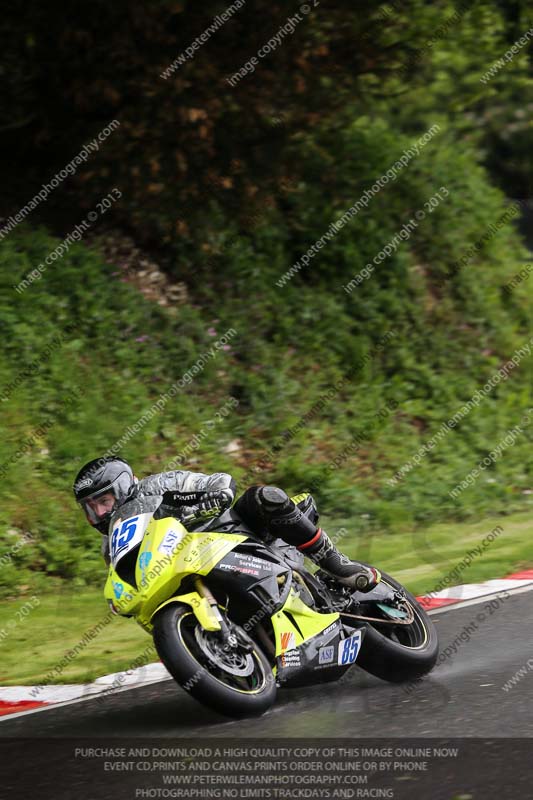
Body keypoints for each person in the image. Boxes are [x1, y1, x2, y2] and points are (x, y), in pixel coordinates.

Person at [73, 456, 380, 591]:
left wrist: (215, 495)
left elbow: (218, 481)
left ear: (124, 486)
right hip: (189, 571)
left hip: (232, 534)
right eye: (92, 508)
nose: (100, 513)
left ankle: (338, 564)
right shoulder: (110, 547)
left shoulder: (160, 484)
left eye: (104, 501)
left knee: (265, 497)